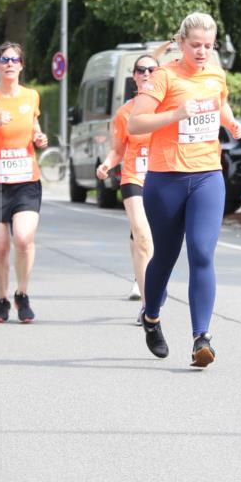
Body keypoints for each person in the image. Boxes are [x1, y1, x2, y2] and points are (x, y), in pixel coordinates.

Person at [128, 12, 241, 367]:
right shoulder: (163, 77)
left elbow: (218, 103)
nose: (202, 51)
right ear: (180, 43)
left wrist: (231, 122)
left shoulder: (215, 73)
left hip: (208, 174)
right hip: (166, 179)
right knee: (165, 255)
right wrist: (175, 115)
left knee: (202, 252)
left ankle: (201, 339)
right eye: (196, 45)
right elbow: (136, 123)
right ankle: (151, 317)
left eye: (208, 46)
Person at [0, 42, 47, 323]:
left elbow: (34, 129)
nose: (9, 63)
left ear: (21, 65)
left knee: (24, 239)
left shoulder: (31, 96)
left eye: (15, 59)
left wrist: (39, 138)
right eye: (4, 59)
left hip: (26, 180)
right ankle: (2, 298)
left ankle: (22, 293)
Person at [96, 52, 161, 319]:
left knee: (149, 240)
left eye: (151, 70)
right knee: (143, 238)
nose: (146, 74)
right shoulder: (124, 113)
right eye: (140, 70)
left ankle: (146, 279)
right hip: (134, 177)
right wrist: (107, 164)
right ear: (133, 76)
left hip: (162, 178)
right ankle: (147, 306)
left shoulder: (168, 107)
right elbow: (118, 149)